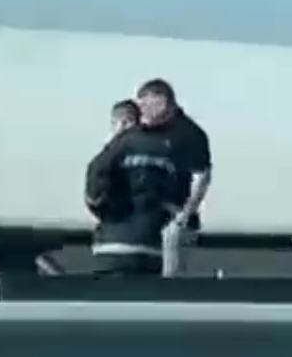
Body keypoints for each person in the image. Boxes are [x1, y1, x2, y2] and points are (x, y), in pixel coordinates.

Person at [80, 78, 213, 276]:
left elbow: (201, 176)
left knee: (170, 274)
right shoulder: (131, 137)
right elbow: (98, 172)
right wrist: (103, 206)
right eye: (140, 107)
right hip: (129, 229)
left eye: (147, 106)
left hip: (169, 223)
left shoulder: (188, 134)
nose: (142, 113)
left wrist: (183, 216)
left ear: (164, 103)